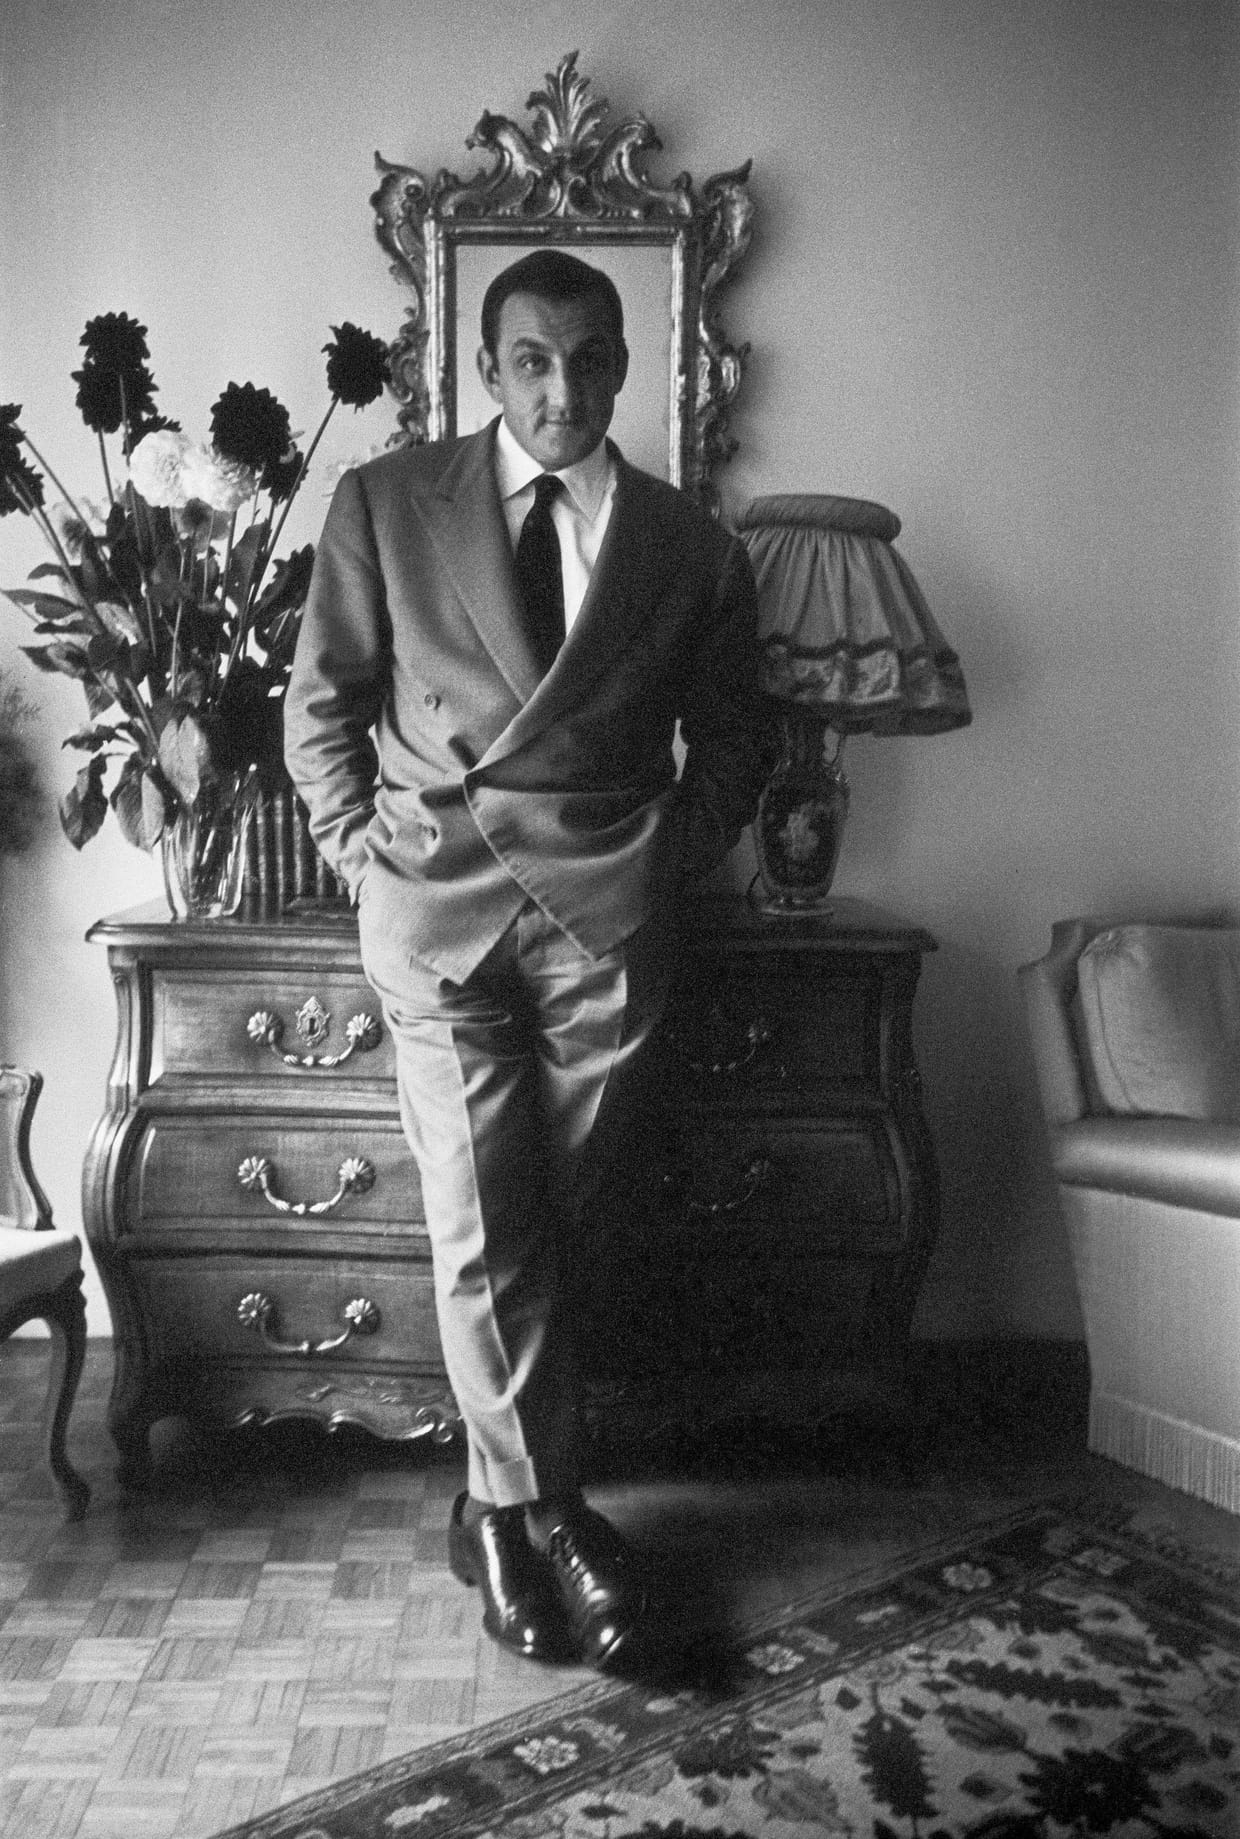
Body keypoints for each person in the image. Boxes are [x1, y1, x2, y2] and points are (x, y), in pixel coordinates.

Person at [285, 248, 763, 1669]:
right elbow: (323, 701)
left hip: (604, 920)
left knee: (555, 1220)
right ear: (489, 370)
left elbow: (736, 743)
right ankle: (548, 1521)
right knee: (483, 1218)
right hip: (435, 913)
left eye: (590, 359)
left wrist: (666, 866)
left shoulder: (691, 544)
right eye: (533, 362)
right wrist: (356, 853)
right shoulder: (385, 501)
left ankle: (492, 1507)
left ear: (623, 365)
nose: (564, 391)